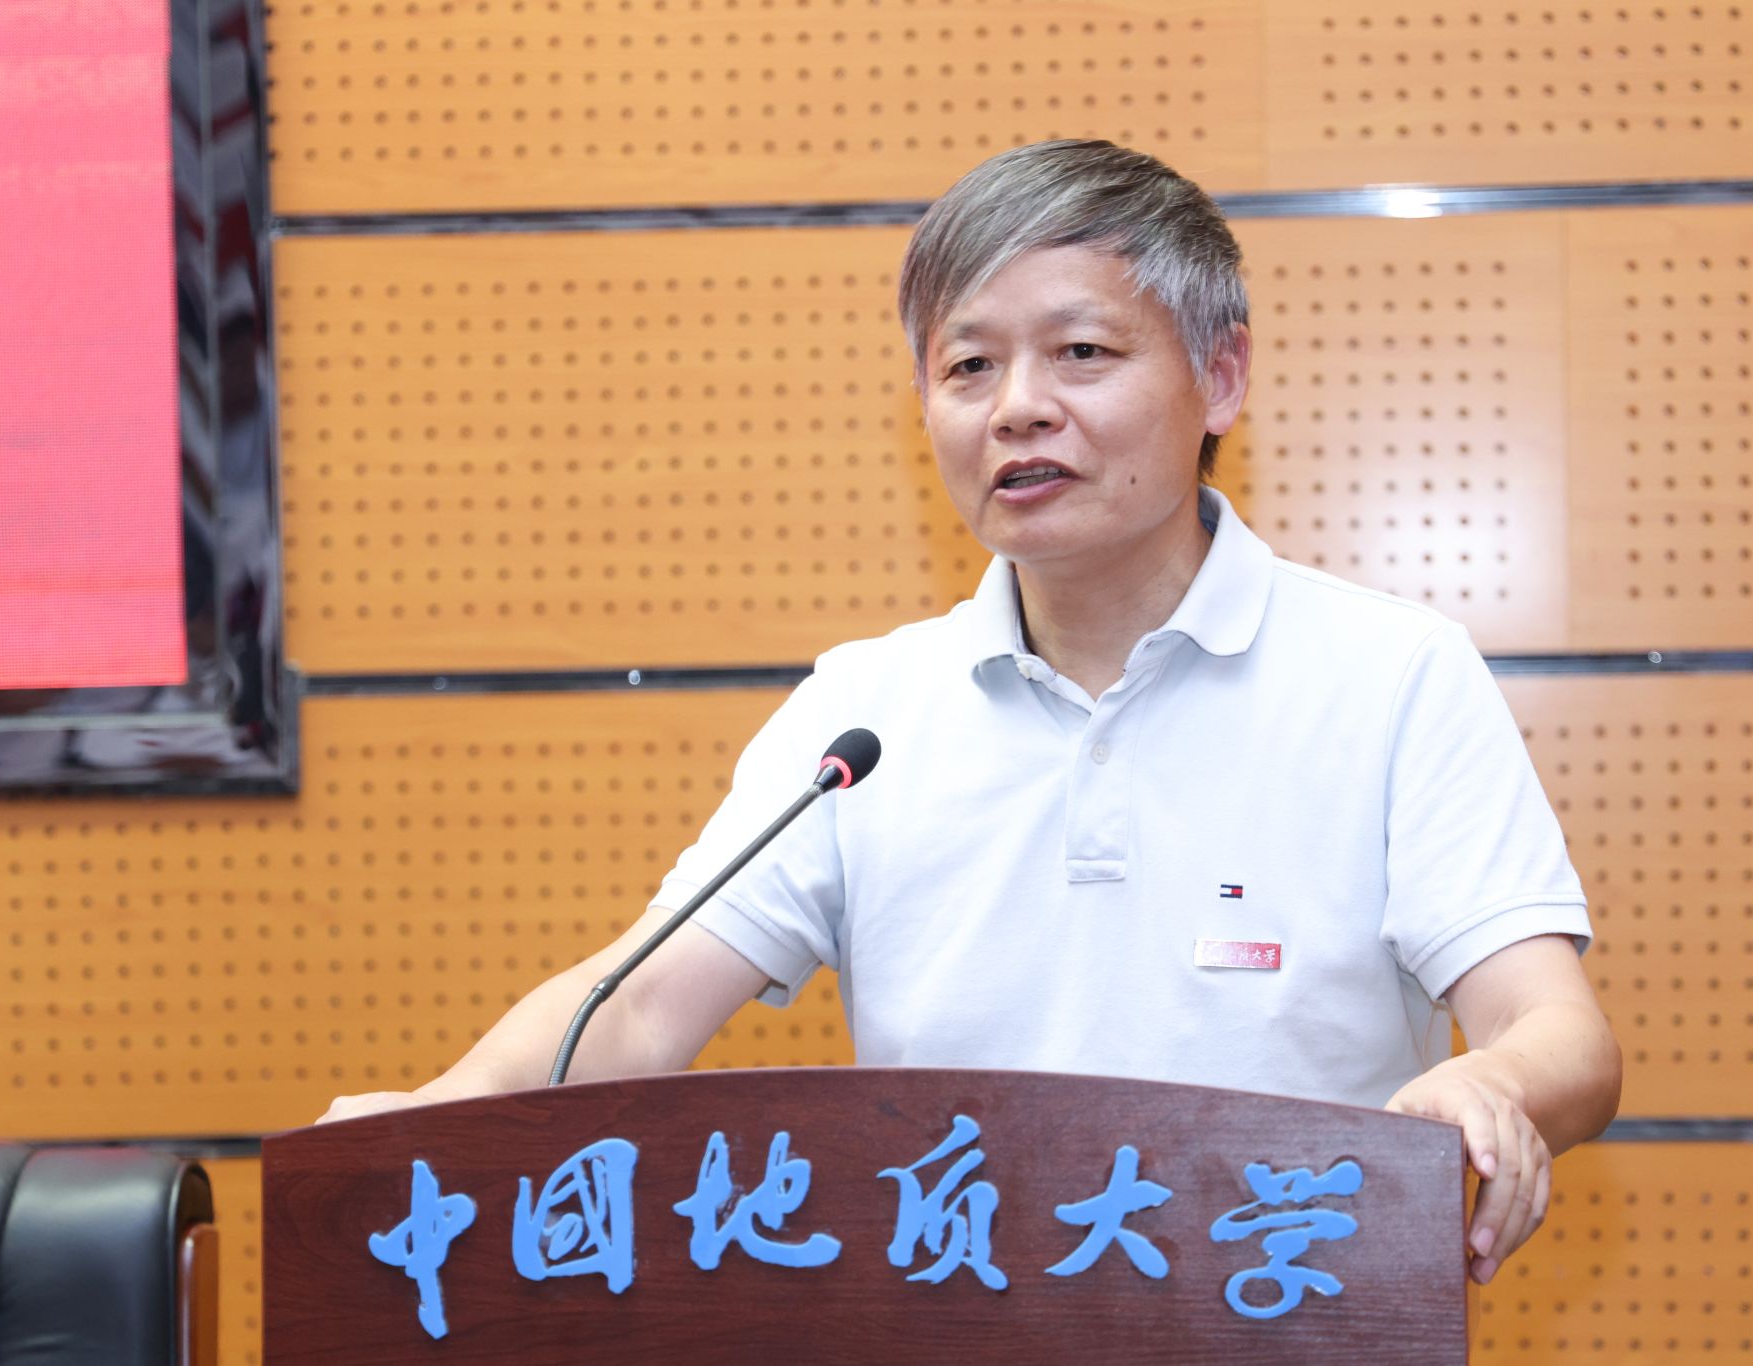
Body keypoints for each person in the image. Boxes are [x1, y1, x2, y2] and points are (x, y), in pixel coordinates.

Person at [320, 140, 1622, 1288]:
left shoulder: (1390, 675)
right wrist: (438, 1115)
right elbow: (645, 1003)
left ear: (1220, 378)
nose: (1017, 407)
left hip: (1286, 1312)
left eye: (1082, 353)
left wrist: (1491, 1084)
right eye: (969, 365)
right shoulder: (865, 716)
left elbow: (1560, 1032)